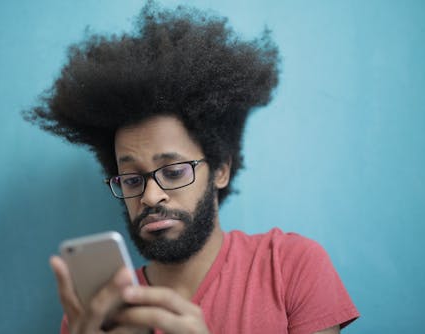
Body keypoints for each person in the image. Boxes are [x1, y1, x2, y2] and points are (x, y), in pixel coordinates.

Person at [25, 3, 359, 333]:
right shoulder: (98, 315)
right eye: (131, 179)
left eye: (173, 172)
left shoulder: (289, 266)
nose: (151, 196)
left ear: (220, 170)